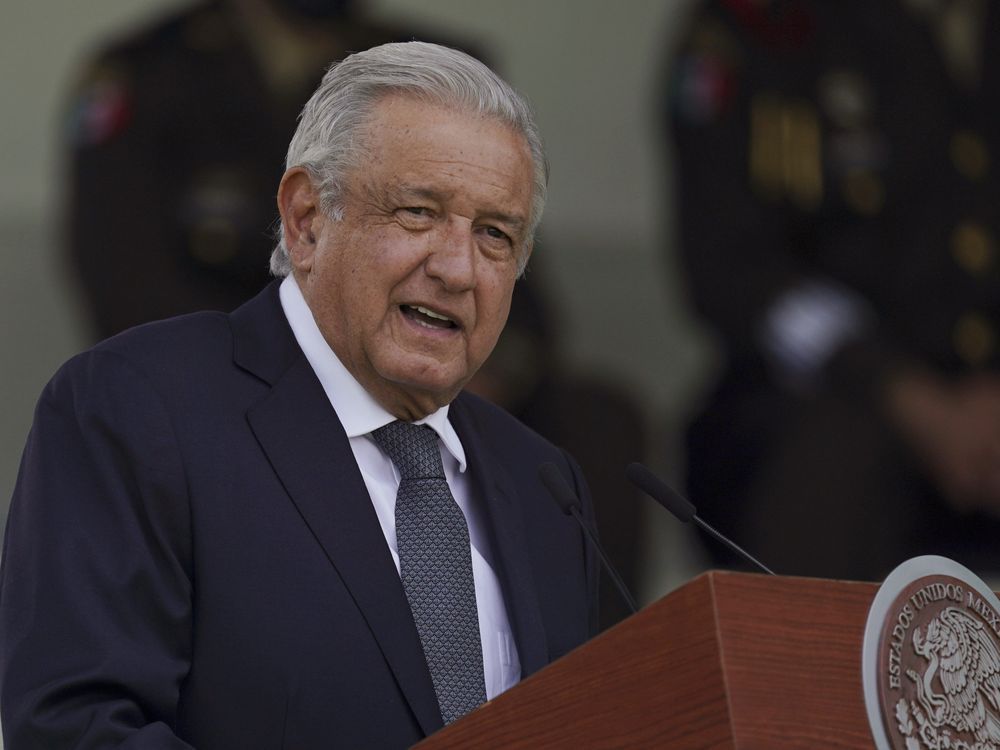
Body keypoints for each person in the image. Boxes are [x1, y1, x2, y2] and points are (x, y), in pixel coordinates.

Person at [2, 42, 599, 748]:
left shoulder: (544, 485)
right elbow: (75, 729)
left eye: (496, 234)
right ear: (308, 218)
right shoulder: (138, 408)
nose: (457, 269)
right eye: (417, 212)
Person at [667, 0, 1000, 581]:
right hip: (827, 392)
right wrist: (902, 392)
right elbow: (736, 273)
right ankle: (799, 670)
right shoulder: (759, 30)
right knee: (831, 458)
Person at [65, 0, 486, 340]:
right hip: (207, 402)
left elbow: (500, 271)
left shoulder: (441, 74)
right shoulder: (148, 75)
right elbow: (126, 286)